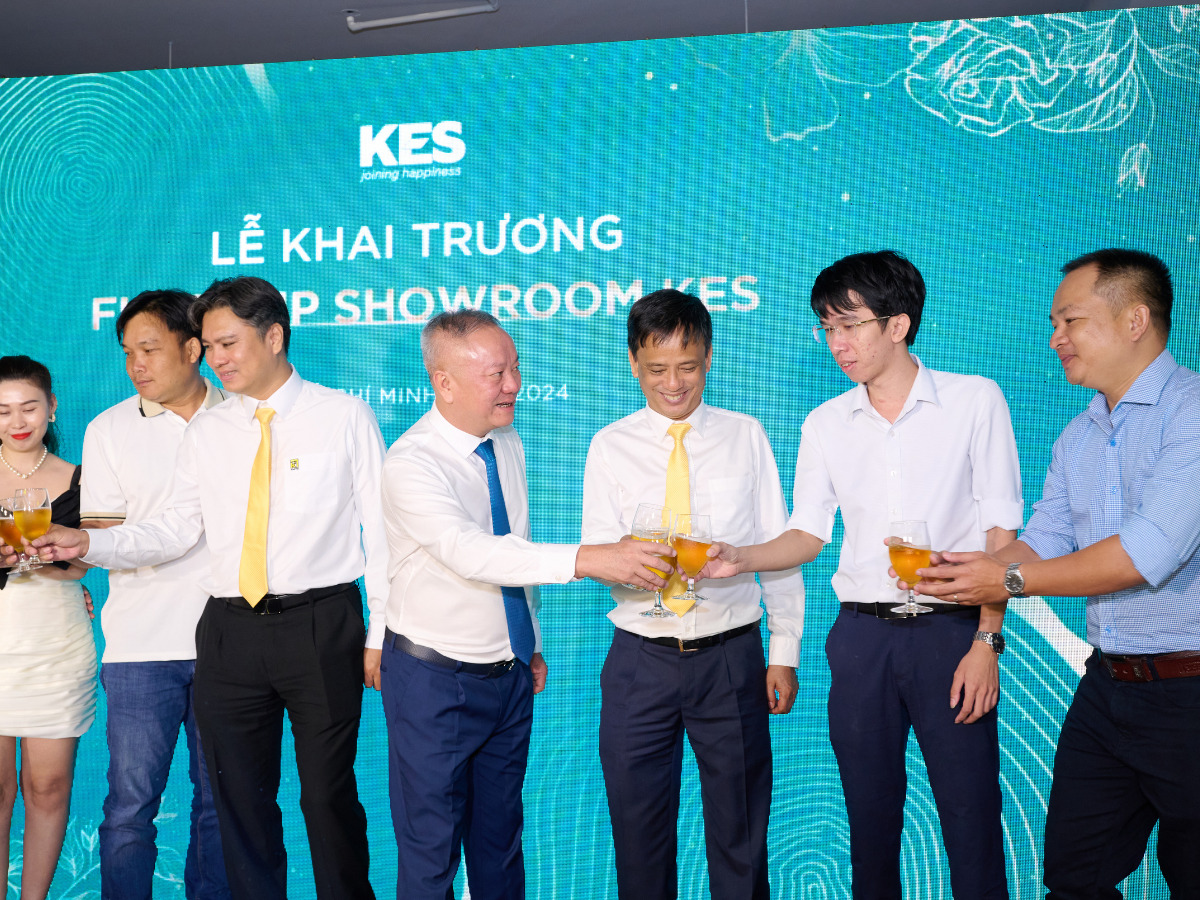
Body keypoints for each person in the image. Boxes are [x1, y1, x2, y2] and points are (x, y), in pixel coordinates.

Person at [33, 276, 387, 900]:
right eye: (211, 345)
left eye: (228, 344)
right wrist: (88, 543)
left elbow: (381, 531)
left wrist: (380, 631)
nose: (216, 358)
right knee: (237, 803)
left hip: (320, 624)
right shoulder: (210, 430)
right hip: (228, 630)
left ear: (273, 337)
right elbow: (176, 528)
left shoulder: (343, 415)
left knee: (325, 795)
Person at [703, 252, 1023, 900]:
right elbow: (809, 532)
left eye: (849, 325)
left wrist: (987, 640)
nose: (837, 343)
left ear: (898, 324)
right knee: (869, 824)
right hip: (861, 640)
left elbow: (1002, 534)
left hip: (952, 633)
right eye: (827, 327)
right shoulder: (825, 423)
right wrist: (742, 556)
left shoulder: (974, 400)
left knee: (971, 818)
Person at [905, 249, 1200, 899]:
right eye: (1053, 323)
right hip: (1108, 689)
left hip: (1190, 694)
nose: (1055, 338)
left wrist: (1006, 583)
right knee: (1072, 878)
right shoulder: (1078, 435)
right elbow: (1043, 540)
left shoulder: (1192, 412)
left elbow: (1146, 553)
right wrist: (968, 569)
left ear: (1135, 321)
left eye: (1071, 321)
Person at [379, 308, 673, 900]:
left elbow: (515, 541)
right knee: (431, 854)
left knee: (500, 844)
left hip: (508, 677)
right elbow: (471, 552)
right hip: (434, 682)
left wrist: (528, 641)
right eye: (497, 374)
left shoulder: (505, 441)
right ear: (444, 383)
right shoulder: (410, 464)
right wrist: (590, 559)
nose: (514, 384)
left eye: (515, 367)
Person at [581, 289, 804, 900]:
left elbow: (777, 546)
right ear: (634, 362)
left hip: (731, 657)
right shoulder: (609, 444)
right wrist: (630, 564)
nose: (673, 384)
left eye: (687, 366)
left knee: (741, 833)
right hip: (640, 659)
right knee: (638, 835)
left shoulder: (745, 435)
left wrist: (783, 649)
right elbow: (597, 554)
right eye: (657, 369)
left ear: (709, 358)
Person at [81, 290, 231, 900]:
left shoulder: (242, 415)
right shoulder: (109, 428)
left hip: (232, 643)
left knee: (221, 805)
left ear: (193, 349)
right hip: (141, 647)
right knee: (129, 808)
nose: (135, 365)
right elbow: (102, 539)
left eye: (148, 349)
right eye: (127, 353)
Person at [0, 355, 97, 900]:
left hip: (57, 644)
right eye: (3, 410)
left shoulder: (81, 477)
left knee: (48, 786)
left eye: (29, 406)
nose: (17, 421)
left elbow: (93, 558)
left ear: (52, 406)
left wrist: (63, 564)